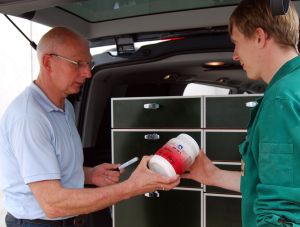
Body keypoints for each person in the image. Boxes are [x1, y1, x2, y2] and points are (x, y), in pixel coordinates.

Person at [0, 27, 180, 227]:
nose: (87, 73)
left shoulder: (65, 106)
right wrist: (132, 187)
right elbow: (52, 204)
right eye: (78, 64)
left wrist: (90, 174)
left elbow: (51, 167)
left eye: (89, 64)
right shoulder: (30, 117)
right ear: (48, 62)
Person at [183, 0, 300, 226]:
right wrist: (213, 175)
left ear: (259, 37)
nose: (235, 55)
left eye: (236, 43)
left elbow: (282, 212)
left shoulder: (281, 100)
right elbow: (281, 182)